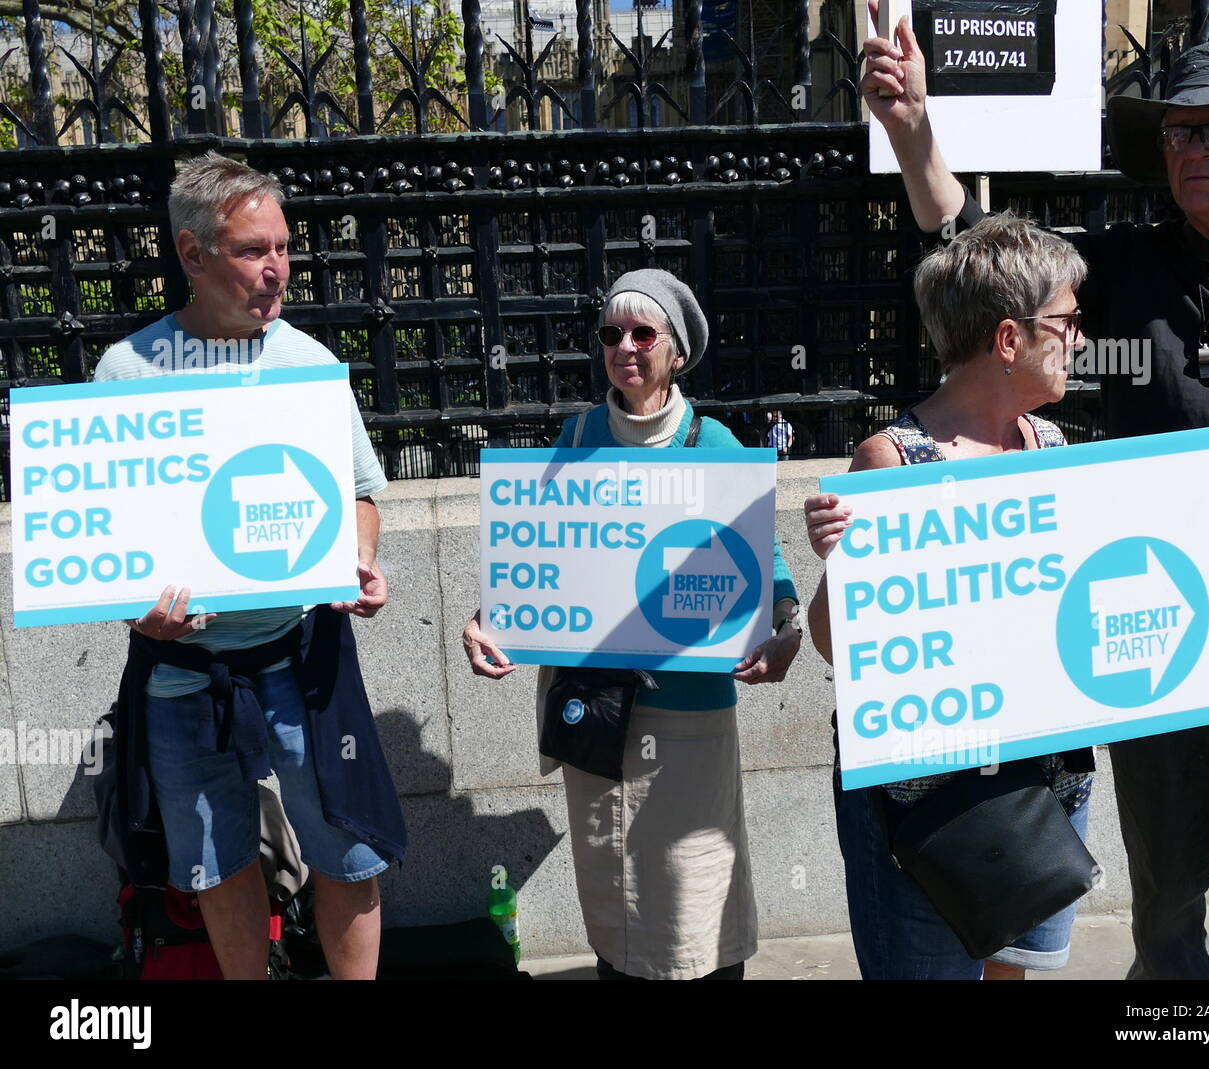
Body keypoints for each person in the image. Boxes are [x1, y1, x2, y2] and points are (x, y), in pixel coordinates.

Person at [860, 1, 1209, 979]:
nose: (1193, 148)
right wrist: (915, 131)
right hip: (1161, 642)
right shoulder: (1129, 273)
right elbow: (987, 260)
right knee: (1169, 915)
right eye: (1179, 131)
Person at [95, 151, 405, 980]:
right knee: (217, 862)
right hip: (183, 673)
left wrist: (360, 556)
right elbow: (108, 540)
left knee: (348, 847)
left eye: (284, 246)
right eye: (253, 250)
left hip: (302, 659)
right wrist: (136, 606)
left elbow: (364, 494)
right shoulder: (126, 374)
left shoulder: (308, 363)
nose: (278, 269)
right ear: (192, 255)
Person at [463, 268, 802, 979]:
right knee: (614, 886)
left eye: (642, 332)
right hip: (600, 709)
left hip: (691, 712)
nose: (625, 346)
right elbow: (535, 551)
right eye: (611, 333)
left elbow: (764, 556)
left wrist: (788, 625)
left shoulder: (715, 446)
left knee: (695, 886)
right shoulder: (577, 435)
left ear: (675, 350)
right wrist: (485, 619)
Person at [804, 213, 1098, 979]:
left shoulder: (1057, 448)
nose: (1079, 339)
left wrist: (1190, 552)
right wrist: (841, 561)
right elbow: (837, 644)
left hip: (1046, 781)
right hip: (931, 803)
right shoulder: (893, 459)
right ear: (1009, 339)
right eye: (1066, 322)